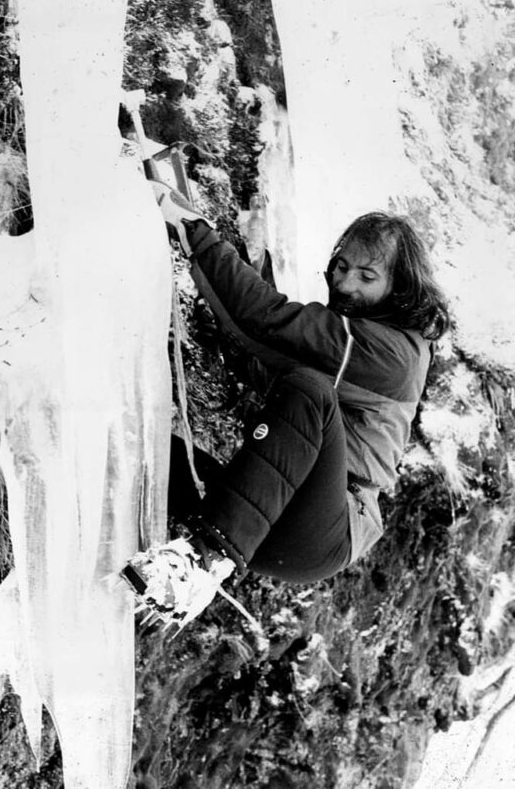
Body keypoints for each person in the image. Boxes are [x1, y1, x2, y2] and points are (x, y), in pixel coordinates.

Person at [121, 182, 450, 628]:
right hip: (274, 526)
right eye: (341, 267)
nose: (345, 283)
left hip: (325, 527)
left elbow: (268, 323)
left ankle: (200, 562)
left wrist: (194, 231)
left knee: (308, 390)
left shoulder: (389, 353)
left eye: (367, 277)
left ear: (400, 288)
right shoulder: (369, 342)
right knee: (143, 452)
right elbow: (267, 360)